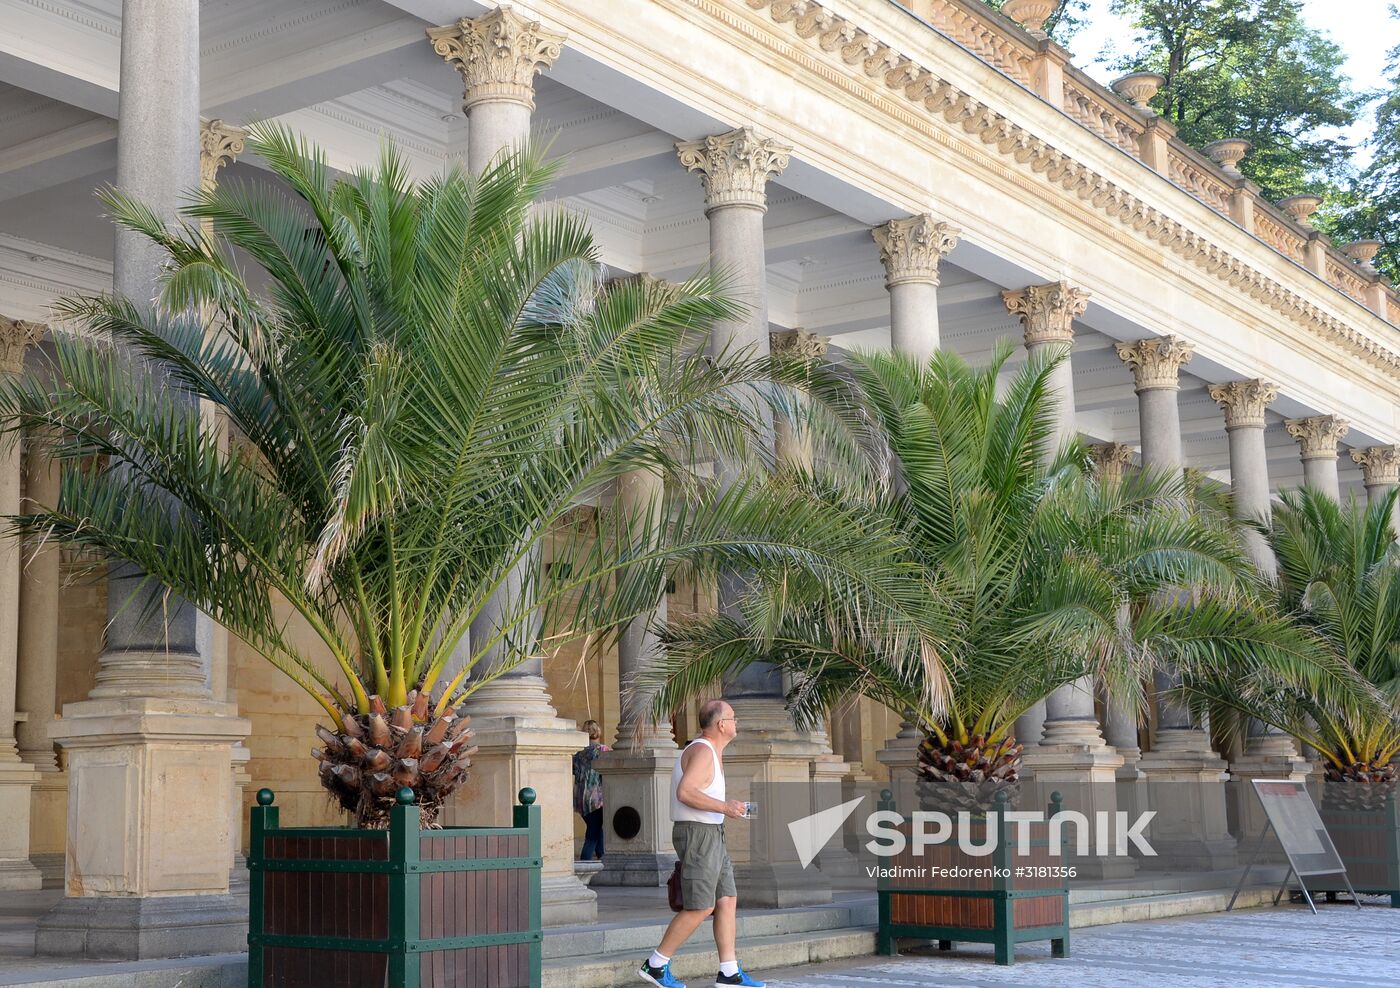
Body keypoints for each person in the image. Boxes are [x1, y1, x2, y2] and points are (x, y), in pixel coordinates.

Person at [638, 699, 764, 988]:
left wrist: (729, 808)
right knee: (700, 906)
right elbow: (686, 792)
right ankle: (656, 965)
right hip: (698, 835)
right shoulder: (703, 752)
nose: (736, 723)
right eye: (733, 718)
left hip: (711, 833)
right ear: (721, 724)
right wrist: (724, 806)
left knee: (727, 899)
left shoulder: (710, 751)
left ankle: (729, 972)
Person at [572, 719, 610, 861]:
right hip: (597, 798)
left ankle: (603, 859)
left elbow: (574, 771)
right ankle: (585, 862)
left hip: (581, 798)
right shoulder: (603, 750)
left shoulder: (578, 753)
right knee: (592, 835)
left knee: (596, 830)